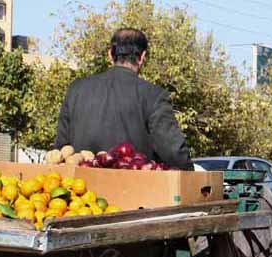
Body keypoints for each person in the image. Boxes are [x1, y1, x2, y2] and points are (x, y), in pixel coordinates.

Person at [55, 28, 192, 170]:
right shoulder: (154, 95)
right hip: (132, 189)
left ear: (110, 55)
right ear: (142, 57)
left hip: (80, 188)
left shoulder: (76, 89)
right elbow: (174, 153)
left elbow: (61, 150)